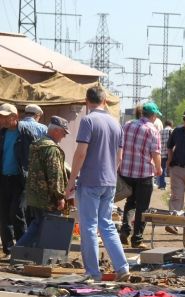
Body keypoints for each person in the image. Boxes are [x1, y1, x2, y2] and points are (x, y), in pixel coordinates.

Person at [65, 86, 130, 282]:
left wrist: (71, 179)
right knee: (107, 225)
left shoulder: (88, 120)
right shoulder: (116, 124)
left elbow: (81, 152)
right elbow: (119, 156)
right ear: (105, 101)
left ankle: (93, 272)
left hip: (90, 180)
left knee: (89, 227)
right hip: (109, 181)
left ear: (87, 101)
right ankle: (122, 267)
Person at [15, 116, 70, 248]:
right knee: (44, 226)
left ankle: (27, 254)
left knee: (38, 224)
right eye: (63, 133)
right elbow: (54, 175)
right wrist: (60, 197)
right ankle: (19, 251)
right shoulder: (51, 149)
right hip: (47, 198)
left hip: (35, 195)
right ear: (56, 131)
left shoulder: (38, 144)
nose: (64, 137)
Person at [118, 101, 163, 249]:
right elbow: (155, 153)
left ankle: (124, 231)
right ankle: (137, 239)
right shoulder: (152, 130)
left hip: (126, 171)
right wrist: (159, 168)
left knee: (130, 202)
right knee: (142, 207)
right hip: (144, 172)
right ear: (154, 115)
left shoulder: (128, 125)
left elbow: (120, 145)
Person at [0, 103, 37, 256]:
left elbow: (33, 156)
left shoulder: (25, 133)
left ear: (14, 117)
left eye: (4, 117)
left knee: (17, 213)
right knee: (3, 215)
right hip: (3, 178)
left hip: (20, 180)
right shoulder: (1, 133)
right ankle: (8, 249)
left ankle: (21, 248)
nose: (1, 119)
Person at [157, 120, 173, 190]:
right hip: (171, 153)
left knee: (162, 169)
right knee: (172, 169)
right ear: (171, 124)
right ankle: (173, 185)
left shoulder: (160, 131)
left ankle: (162, 185)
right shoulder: (173, 131)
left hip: (162, 152)